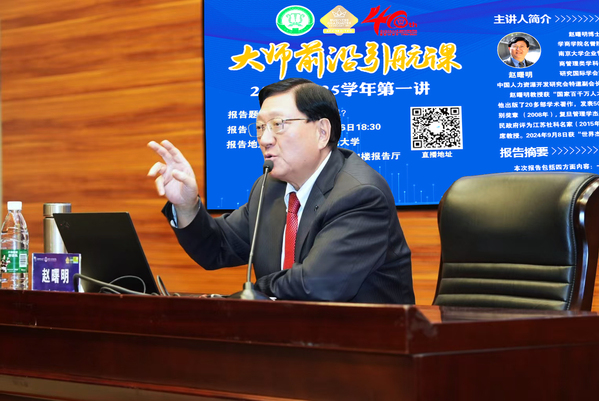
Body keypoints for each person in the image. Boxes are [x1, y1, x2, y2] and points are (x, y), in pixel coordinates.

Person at [147, 78, 415, 304]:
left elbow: (316, 285)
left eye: (278, 124)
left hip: (365, 344)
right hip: (290, 338)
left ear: (322, 132)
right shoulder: (269, 189)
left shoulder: (360, 195)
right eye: (260, 127)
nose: (264, 139)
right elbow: (216, 248)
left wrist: (251, 293)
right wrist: (186, 205)